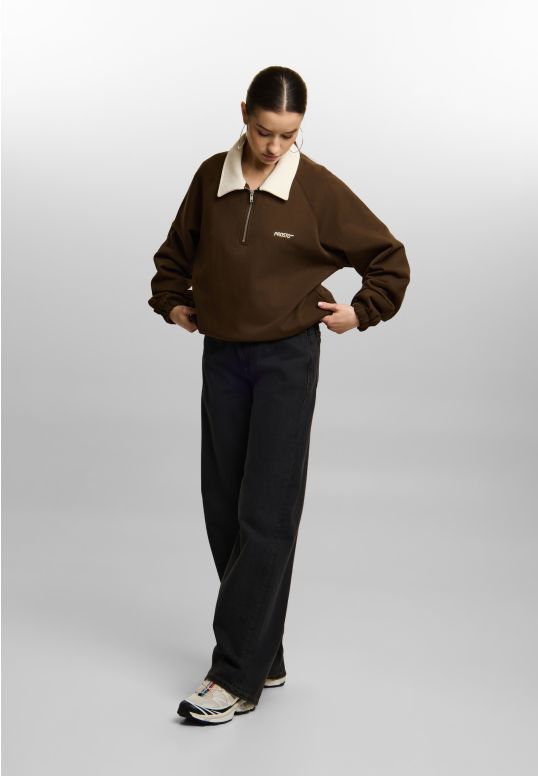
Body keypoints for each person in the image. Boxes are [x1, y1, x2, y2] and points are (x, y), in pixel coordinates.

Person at [148, 66, 411, 725]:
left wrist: (362, 311)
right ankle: (265, 654)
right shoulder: (211, 178)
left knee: (266, 513)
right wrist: (173, 301)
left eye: (288, 135)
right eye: (265, 131)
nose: (273, 147)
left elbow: (388, 257)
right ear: (245, 113)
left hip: (286, 361)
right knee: (224, 509)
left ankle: (232, 676)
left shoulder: (315, 189)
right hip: (223, 358)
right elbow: (177, 253)